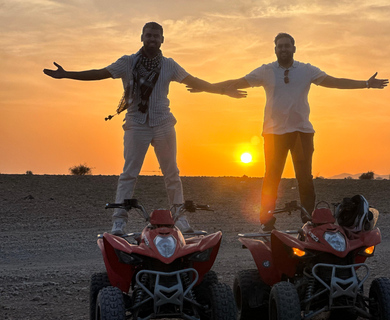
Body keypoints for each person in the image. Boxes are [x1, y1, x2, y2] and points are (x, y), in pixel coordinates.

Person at [44, 22, 246, 235]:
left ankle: (179, 218)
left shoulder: (170, 65)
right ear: (141, 37)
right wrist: (66, 74)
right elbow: (99, 73)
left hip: (163, 124)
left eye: (156, 36)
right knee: (129, 173)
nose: (152, 39)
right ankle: (119, 221)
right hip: (136, 124)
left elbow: (196, 81)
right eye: (148, 35)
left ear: (162, 40)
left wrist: (223, 91)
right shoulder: (127, 62)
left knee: (172, 173)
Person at [190, 32, 388, 231]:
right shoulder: (266, 71)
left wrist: (366, 84)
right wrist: (207, 87)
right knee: (272, 177)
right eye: (280, 46)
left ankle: (310, 221)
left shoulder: (306, 70)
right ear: (275, 49)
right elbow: (238, 81)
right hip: (274, 134)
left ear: (294, 48)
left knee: (304, 178)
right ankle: (266, 221)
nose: (283, 49)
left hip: (301, 133)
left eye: (287, 46)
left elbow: (334, 81)